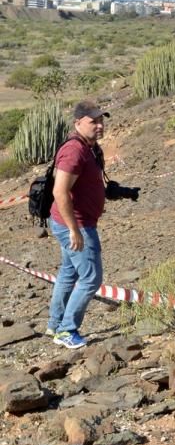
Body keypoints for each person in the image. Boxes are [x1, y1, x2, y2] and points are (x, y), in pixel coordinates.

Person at [47, 100, 109, 349]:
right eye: (93, 121)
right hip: (76, 224)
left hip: (75, 222)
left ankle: (55, 323)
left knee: (68, 273)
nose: (100, 125)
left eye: (102, 120)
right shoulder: (74, 151)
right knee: (91, 278)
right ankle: (66, 330)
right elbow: (60, 192)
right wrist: (74, 230)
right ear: (78, 123)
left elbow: (85, 185)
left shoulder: (89, 148)